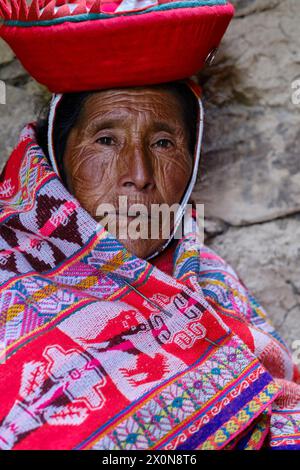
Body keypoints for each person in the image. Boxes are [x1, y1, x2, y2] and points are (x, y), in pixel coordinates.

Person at [0, 0, 299, 451]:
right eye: (105, 140)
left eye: (162, 142)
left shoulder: (213, 283)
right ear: (55, 165)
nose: (138, 173)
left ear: (192, 163)